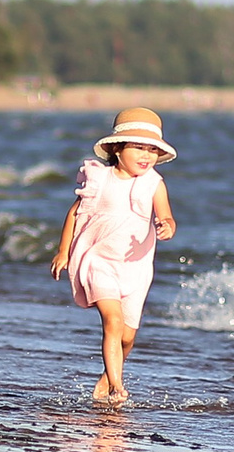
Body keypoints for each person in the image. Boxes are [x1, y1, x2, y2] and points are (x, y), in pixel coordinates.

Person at [49, 107, 177, 405]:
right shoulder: (100, 178)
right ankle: (118, 388)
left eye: (152, 150)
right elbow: (75, 212)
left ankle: (108, 376)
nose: (146, 156)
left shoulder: (154, 183)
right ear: (117, 148)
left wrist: (166, 226)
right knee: (113, 321)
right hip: (98, 261)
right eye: (139, 147)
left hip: (136, 268)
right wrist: (62, 250)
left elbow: (167, 216)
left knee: (128, 336)